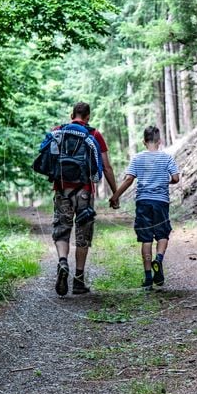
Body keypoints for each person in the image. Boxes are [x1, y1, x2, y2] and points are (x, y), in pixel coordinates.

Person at [51, 102, 117, 296]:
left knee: (62, 230)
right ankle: (78, 281)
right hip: (85, 192)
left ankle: (63, 261)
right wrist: (115, 193)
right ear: (88, 116)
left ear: (72, 114)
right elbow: (106, 167)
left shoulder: (58, 131)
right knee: (82, 235)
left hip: (62, 190)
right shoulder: (94, 134)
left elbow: (50, 160)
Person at [109, 126, 180, 290]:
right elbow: (176, 178)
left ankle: (148, 277)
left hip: (143, 202)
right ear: (159, 141)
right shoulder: (167, 158)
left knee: (146, 238)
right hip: (161, 202)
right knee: (162, 234)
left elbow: (128, 180)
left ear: (144, 141)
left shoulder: (137, 158)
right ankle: (159, 259)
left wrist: (115, 196)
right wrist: (167, 181)